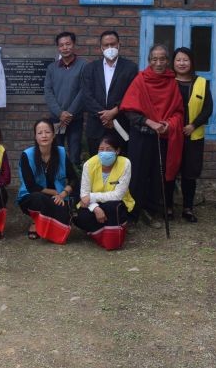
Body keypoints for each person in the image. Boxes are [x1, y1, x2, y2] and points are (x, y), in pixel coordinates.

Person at [121, 44, 184, 227]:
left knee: (158, 176)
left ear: (167, 61)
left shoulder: (172, 82)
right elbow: (129, 111)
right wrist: (150, 122)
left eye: (162, 59)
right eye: (154, 59)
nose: (158, 63)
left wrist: (167, 124)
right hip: (141, 136)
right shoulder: (140, 80)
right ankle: (132, 214)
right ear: (149, 61)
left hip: (162, 137)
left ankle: (152, 212)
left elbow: (179, 112)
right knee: (137, 175)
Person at [16, 119, 79, 244]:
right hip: (32, 196)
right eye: (40, 133)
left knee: (65, 219)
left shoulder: (61, 152)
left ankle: (50, 224)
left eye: (47, 132)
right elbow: (31, 186)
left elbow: (73, 178)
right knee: (38, 198)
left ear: (54, 134)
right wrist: (55, 192)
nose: (44, 135)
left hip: (59, 197)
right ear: (35, 136)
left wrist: (63, 194)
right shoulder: (27, 155)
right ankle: (36, 222)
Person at [73, 133, 136, 250]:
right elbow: (84, 193)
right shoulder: (89, 164)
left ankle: (110, 236)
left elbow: (118, 195)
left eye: (109, 149)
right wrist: (96, 208)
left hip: (117, 202)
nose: (104, 152)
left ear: (117, 151)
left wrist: (91, 197)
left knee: (112, 207)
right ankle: (105, 232)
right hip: (93, 204)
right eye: (101, 149)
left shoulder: (125, 163)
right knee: (80, 217)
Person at [80, 30, 138, 156]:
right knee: (96, 164)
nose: (110, 48)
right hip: (96, 126)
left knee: (122, 165)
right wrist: (104, 116)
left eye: (113, 44)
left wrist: (114, 112)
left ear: (119, 45)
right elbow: (86, 96)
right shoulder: (90, 68)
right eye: (106, 45)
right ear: (101, 47)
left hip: (121, 125)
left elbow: (132, 95)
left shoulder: (131, 68)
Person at [172, 47, 213, 223]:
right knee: (170, 172)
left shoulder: (202, 82)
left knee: (190, 174)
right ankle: (167, 207)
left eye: (185, 60)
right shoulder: (167, 81)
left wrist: (193, 125)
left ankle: (187, 208)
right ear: (173, 62)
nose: (182, 63)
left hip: (193, 136)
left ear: (192, 63)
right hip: (172, 135)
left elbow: (208, 109)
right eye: (178, 60)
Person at [43, 31, 86, 166]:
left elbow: (84, 91)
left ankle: (74, 185)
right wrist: (60, 113)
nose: (65, 48)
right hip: (57, 119)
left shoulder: (84, 65)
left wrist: (69, 113)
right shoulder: (52, 68)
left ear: (73, 45)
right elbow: (48, 92)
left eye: (68, 44)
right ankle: (59, 184)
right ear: (58, 48)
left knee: (74, 154)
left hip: (75, 119)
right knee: (57, 152)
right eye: (61, 45)